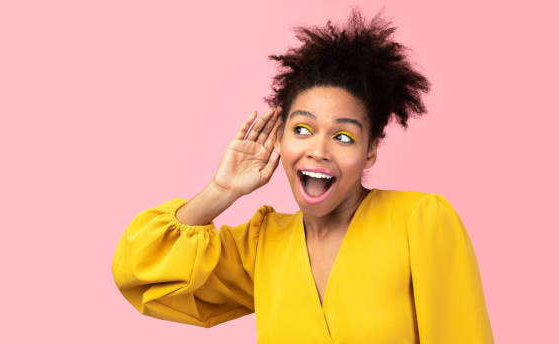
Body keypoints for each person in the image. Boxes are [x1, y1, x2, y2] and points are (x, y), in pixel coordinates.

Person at [111, 8, 494, 343]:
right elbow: (141, 272)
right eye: (302, 130)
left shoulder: (420, 221)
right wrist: (220, 191)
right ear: (279, 138)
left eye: (343, 136)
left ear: (371, 150)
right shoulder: (262, 246)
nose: (318, 150)